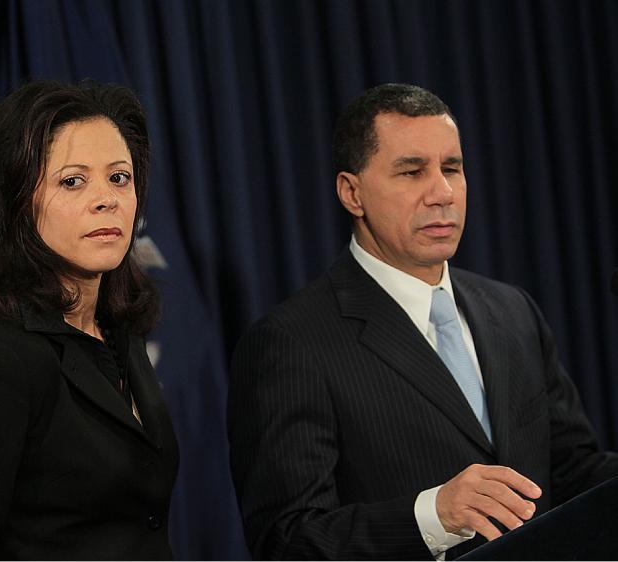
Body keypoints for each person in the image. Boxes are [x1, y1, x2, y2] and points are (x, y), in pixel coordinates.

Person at [227, 83, 618, 560]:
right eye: (412, 172)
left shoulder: (512, 310)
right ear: (352, 193)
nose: (443, 193)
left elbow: (573, 472)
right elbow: (286, 542)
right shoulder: (291, 342)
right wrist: (433, 514)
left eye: (452, 168)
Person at [0, 80, 179, 560]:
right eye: (73, 181)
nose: (106, 199)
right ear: (18, 203)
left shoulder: (119, 334)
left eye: (120, 177)